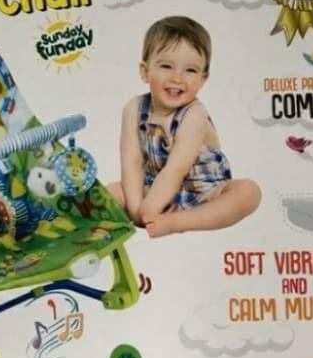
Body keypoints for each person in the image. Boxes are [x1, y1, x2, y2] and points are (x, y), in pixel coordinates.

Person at [108, 16, 260, 238]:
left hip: (203, 192)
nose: (177, 78)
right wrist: (137, 211)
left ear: (203, 79)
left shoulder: (194, 114)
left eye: (190, 70)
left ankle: (177, 221)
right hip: (154, 187)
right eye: (166, 66)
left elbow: (176, 168)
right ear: (145, 71)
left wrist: (149, 209)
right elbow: (132, 162)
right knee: (105, 194)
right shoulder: (134, 108)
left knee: (248, 193)